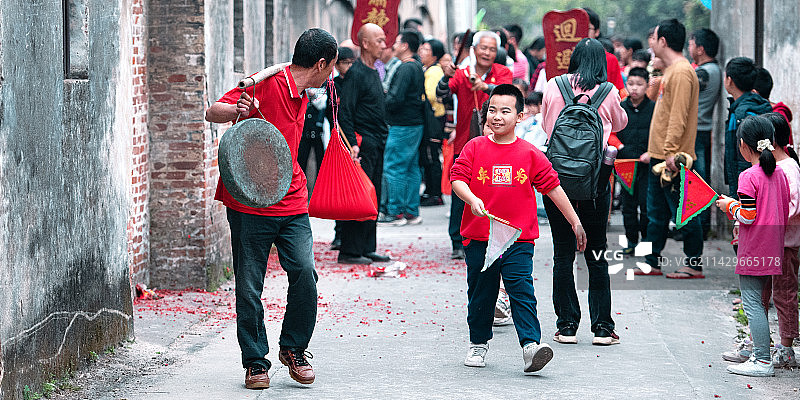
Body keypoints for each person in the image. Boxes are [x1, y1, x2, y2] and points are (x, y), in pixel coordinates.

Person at [204, 28, 337, 390]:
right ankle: (255, 362)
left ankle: (293, 348)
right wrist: (239, 109)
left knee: (305, 272)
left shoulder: (304, 93)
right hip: (250, 199)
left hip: (292, 198)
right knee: (249, 285)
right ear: (321, 63)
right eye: (331, 68)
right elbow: (212, 111)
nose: (331, 76)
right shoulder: (266, 83)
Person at [450, 84, 587, 372]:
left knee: (521, 289)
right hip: (480, 237)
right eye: (492, 110)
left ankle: (530, 347)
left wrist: (575, 221)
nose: (497, 116)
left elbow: (553, 188)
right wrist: (472, 199)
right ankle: (478, 344)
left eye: (505, 111)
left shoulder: (530, 153)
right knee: (481, 293)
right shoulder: (474, 147)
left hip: (517, 239)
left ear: (520, 116)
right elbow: (457, 180)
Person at [541, 38, 628, 345]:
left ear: (573, 59)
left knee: (562, 253)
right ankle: (603, 328)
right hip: (596, 183)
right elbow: (621, 123)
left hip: (556, 183)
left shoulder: (554, 86)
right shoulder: (609, 91)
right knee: (597, 252)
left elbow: (545, 127)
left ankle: (566, 326)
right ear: (602, 62)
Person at [715, 115, 789, 377]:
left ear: (743, 145)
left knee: (753, 305)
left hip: (754, 248)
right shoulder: (780, 173)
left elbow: (748, 215)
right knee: (761, 302)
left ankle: (762, 360)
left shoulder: (748, 176)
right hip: (774, 246)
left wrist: (729, 206)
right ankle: (760, 354)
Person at [437, 31, 513, 259]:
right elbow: (441, 93)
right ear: (474, 49)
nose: (487, 53)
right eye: (483, 48)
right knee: (461, 193)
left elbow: (508, 95)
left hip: (497, 145)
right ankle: (457, 241)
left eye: (491, 49)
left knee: (495, 193)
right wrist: (444, 76)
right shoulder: (462, 74)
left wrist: (485, 88)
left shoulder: (503, 72)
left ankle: (492, 237)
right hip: (465, 143)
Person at [637, 19, 703, 279]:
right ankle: (651, 261)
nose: (651, 43)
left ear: (663, 41)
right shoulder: (671, 70)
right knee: (656, 214)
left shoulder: (683, 72)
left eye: (654, 38)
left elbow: (678, 117)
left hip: (673, 158)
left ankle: (694, 264)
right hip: (659, 156)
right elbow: (657, 102)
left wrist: (671, 152)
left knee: (685, 212)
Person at [336, 23, 393, 265]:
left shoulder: (374, 71)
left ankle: (367, 247)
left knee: (373, 196)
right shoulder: (356, 73)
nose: (384, 44)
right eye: (379, 40)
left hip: (377, 142)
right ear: (366, 43)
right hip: (362, 142)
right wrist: (352, 144)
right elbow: (344, 112)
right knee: (358, 197)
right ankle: (349, 250)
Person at [762, 113, 800, 368]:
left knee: (784, 294)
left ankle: (786, 347)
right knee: (763, 293)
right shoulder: (773, 166)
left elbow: (793, 206)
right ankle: (760, 342)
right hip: (768, 243)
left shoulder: (788, 168)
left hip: (784, 245)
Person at [379, 30, 426, 226]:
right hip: (413, 124)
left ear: (405, 45)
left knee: (394, 167)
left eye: (397, 42)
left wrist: (383, 97)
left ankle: (395, 211)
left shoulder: (406, 68)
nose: (393, 46)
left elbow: (395, 99)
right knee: (410, 167)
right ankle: (411, 211)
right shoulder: (415, 67)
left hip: (402, 125)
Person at [616, 67, 653, 254]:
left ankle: (646, 243)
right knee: (628, 205)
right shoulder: (621, 108)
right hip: (625, 165)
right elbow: (610, 132)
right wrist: (620, 148)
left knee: (647, 205)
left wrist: (652, 152)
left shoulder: (654, 108)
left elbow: (659, 134)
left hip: (647, 164)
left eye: (639, 84)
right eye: (631, 84)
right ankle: (631, 242)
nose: (635, 88)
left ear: (647, 85)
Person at [724, 57, 773, 198]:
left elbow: (745, 154)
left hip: (745, 181)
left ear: (730, 80)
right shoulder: (756, 104)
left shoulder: (742, 112)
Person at [689, 28, 721, 238]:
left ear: (700, 49)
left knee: (696, 180)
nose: (689, 48)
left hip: (697, 130)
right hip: (704, 130)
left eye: (691, 44)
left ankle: (697, 226)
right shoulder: (714, 70)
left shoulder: (703, 72)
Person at [419, 38, 447, 207]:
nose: (422, 52)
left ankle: (435, 193)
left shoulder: (434, 71)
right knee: (428, 156)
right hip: (431, 118)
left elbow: (430, 95)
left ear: (434, 54)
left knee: (432, 155)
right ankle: (430, 190)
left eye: (426, 50)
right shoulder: (428, 69)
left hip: (434, 119)